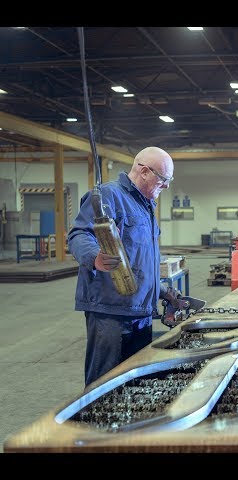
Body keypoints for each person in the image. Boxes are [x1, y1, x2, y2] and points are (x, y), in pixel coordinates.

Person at [68, 146, 182, 388]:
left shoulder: (145, 206)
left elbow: (139, 261)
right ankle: (94, 424)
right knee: (104, 383)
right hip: (111, 312)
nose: (167, 186)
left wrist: (162, 291)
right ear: (143, 171)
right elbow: (79, 233)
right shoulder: (107, 196)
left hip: (141, 311)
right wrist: (94, 258)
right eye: (163, 180)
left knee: (136, 382)